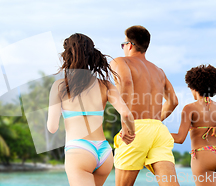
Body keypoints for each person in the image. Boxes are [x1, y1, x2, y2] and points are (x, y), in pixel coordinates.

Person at [47, 33, 136, 186]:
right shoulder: (105, 85)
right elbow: (127, 113)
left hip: (79, 150)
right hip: (104, 152)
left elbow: (52, 128)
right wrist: (130, 132)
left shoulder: (60, 86)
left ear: (67, 56)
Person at [111, 25, 180, 186]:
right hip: (159, 130)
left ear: (129, 45)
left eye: (123, 45)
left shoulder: (120, 61)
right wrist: (155, 119)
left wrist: (126, 122)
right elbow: (173, 101)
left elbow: (126, 82)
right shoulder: (159, 70)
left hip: (135, 127)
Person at [171, 64, 216, 185]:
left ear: (193, 86)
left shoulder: (189, 108)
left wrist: (158, 132)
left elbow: (179, 138)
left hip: (203, 155)